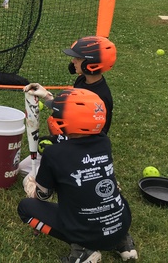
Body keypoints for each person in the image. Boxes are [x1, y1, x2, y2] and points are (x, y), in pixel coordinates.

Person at [18, 88, 138, 262]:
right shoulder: (104, 142)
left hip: (88, 233)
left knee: (25, 208)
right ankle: (122, 241)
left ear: (66, 121)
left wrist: (30, 187)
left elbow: (43, 196)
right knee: (105, 196)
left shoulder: (54, 154)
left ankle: (84, 249)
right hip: (122, 223)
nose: (53, 117)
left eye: (56, 114)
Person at [20, 36, 117, 174]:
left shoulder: (101, 97)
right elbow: (72, 110)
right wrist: (47, 96)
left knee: (34, 176)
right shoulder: (82, 80)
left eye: (78, 58)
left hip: (80, 152)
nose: (73, 61)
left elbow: (95, 137)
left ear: (92, 63)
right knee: (22, 168)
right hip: (69, 141)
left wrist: (62, 145)